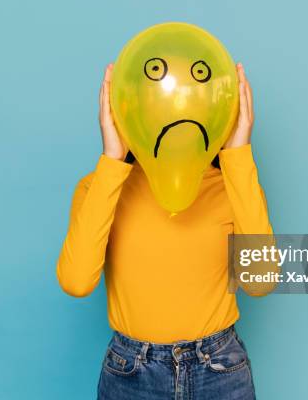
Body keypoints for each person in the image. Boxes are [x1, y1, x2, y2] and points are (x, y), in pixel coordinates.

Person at [57, 62, 274, 399]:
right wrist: (112, 159)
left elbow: (260, 281)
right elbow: (76, 281)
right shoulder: (100, 186)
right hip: (131, 372)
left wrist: (239, 155)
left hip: (219, 370)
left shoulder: (233, 185)